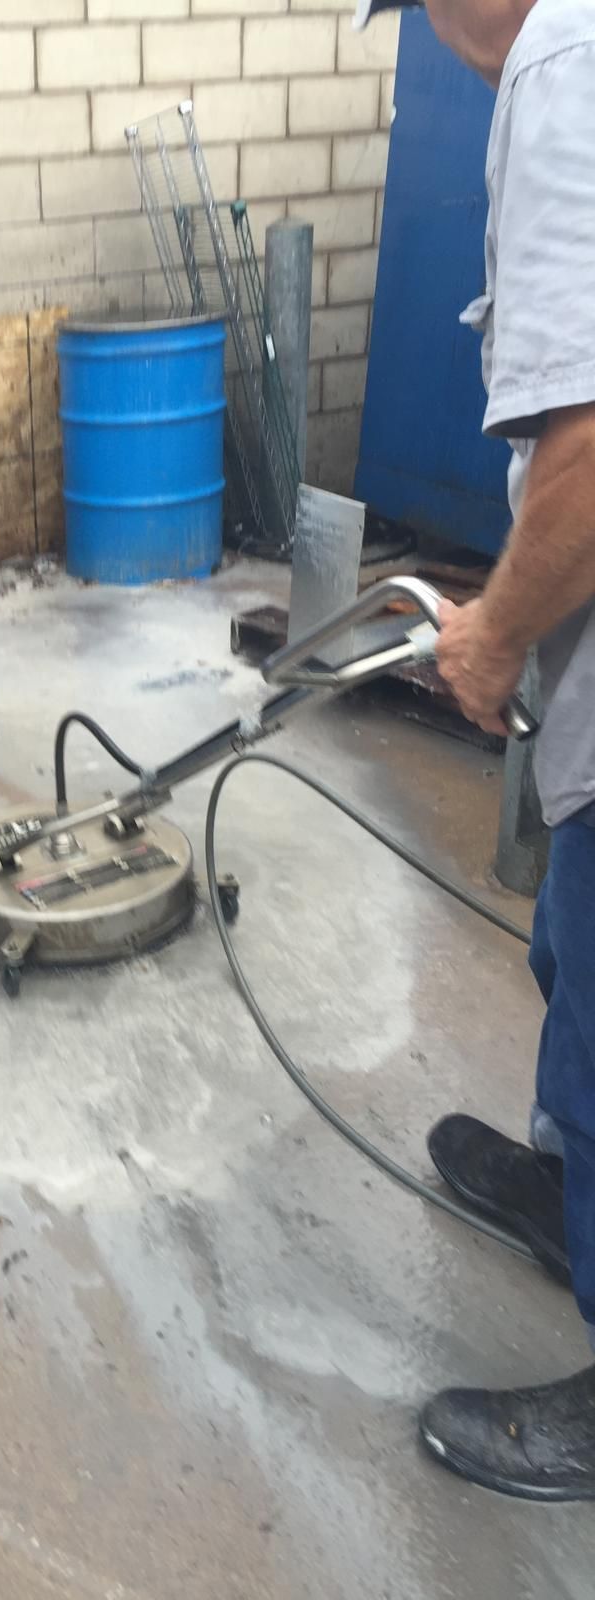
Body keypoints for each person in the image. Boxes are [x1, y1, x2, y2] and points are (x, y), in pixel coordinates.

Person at [355, 0, 595, 1501]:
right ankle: (573, 1195)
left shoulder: (566, 68)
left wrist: (494, 633)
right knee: (572, 951)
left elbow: (589, 458)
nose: (439, 36)